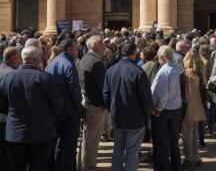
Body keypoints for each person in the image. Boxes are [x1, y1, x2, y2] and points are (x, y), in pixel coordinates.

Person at [0, 46, 63, 171]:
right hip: (41, 132)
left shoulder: (8, 78)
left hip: (16, 132)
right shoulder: (44, 78)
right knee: (39, 166)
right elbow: (58, 104)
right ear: (35, 59)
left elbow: (2, 105)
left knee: (17, 166)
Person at [103, 42, 153, 171]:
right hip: (135, 119)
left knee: (118, 151)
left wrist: (112, 109)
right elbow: (146, 98)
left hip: (118, 117)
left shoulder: (110, 70)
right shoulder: (138, 72)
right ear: (134, 53)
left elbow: (106, 95)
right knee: (132, 153)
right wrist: (146, 114)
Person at [45, 37, 82, 171]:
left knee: (58, 146)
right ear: (69, 48)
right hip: (68, 112)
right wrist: (79, 109)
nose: (77, 51)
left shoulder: (52, 62)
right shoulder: (68, 63)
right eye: (76, 48)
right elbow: (75, 90)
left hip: (56, 111)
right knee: (68, 147)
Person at [78, 35, 107, 171]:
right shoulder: (96, 62)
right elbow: (103, 88)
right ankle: (88, 167)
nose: (104, 47)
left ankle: (84, 165)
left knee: (87, 137)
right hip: (95, 106)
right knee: (91, 139)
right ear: (94, 46)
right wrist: (106, 105)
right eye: (102, 45)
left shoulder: (86, 58)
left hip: (88, 102)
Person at [151, 45, 182, 171]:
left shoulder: (164, 71)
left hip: (165, 111)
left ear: (162, 57)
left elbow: (162, 94)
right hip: (175, 109)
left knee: (162, 143)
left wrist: (158, 108)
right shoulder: (174, 69)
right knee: (173, 141)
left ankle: (163, 167)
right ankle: (176, 166)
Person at [181, 50, 206, 171]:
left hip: (188, 107)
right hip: (198, 106)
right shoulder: (199, 73)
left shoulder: (186, 74)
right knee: (194, 132)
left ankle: (189, 159)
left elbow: (185, 95)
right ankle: (196, 157)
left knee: (187, 133)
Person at [0, 47, 21, 170]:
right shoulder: (11, 74)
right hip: (6, 118)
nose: (21, 60)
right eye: (19, 57)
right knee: (5, 155)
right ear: (13, 58)